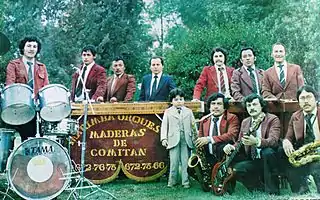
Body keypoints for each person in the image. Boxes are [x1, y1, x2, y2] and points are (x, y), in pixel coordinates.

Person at [224, 94, 280, 195]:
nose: (252, 108)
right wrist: (232, 146)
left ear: (262, 106)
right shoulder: (245, 122)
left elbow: (273, 140)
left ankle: (273, 190)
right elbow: (240, 141)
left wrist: (257, 141)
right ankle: (259, 188)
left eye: (254, 104)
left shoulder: (272, 119)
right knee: (238, 169)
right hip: (253, 159)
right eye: (249, 105)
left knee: (267, 152)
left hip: (269, 160)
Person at [5, 36, 49, 141]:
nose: (31, 49)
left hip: (38, 109)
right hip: (20, 108)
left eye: (34, 46)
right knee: (27, 138)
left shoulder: (41, 67)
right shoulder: (13, 65)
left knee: (39, 139)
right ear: (23, 48)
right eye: (28, 46)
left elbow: (46, 87)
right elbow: (10, 85)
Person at [280, 85, 320, 194]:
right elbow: (288, 136)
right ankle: (301, 187)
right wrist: (286, 142)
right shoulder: (296, 116)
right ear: (298, 101)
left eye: (309, 97)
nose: (306, 101)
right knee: (281, 151)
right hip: (305, 152)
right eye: (302, 98)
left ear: (316, 99)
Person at [160, 88, 195, 188]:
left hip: (186, 140)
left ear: (184, 100)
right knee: (174, 162)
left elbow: (193, 126)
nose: (179, 102)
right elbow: (164, 126)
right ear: (171, 101)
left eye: (181, 99)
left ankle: (186, 181)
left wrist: (195, 138)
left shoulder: (189, 111)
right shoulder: (168, 112)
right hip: (173, 140)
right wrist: (164, 138)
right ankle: (172, 181)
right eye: (176, 99)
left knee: (185, 161)